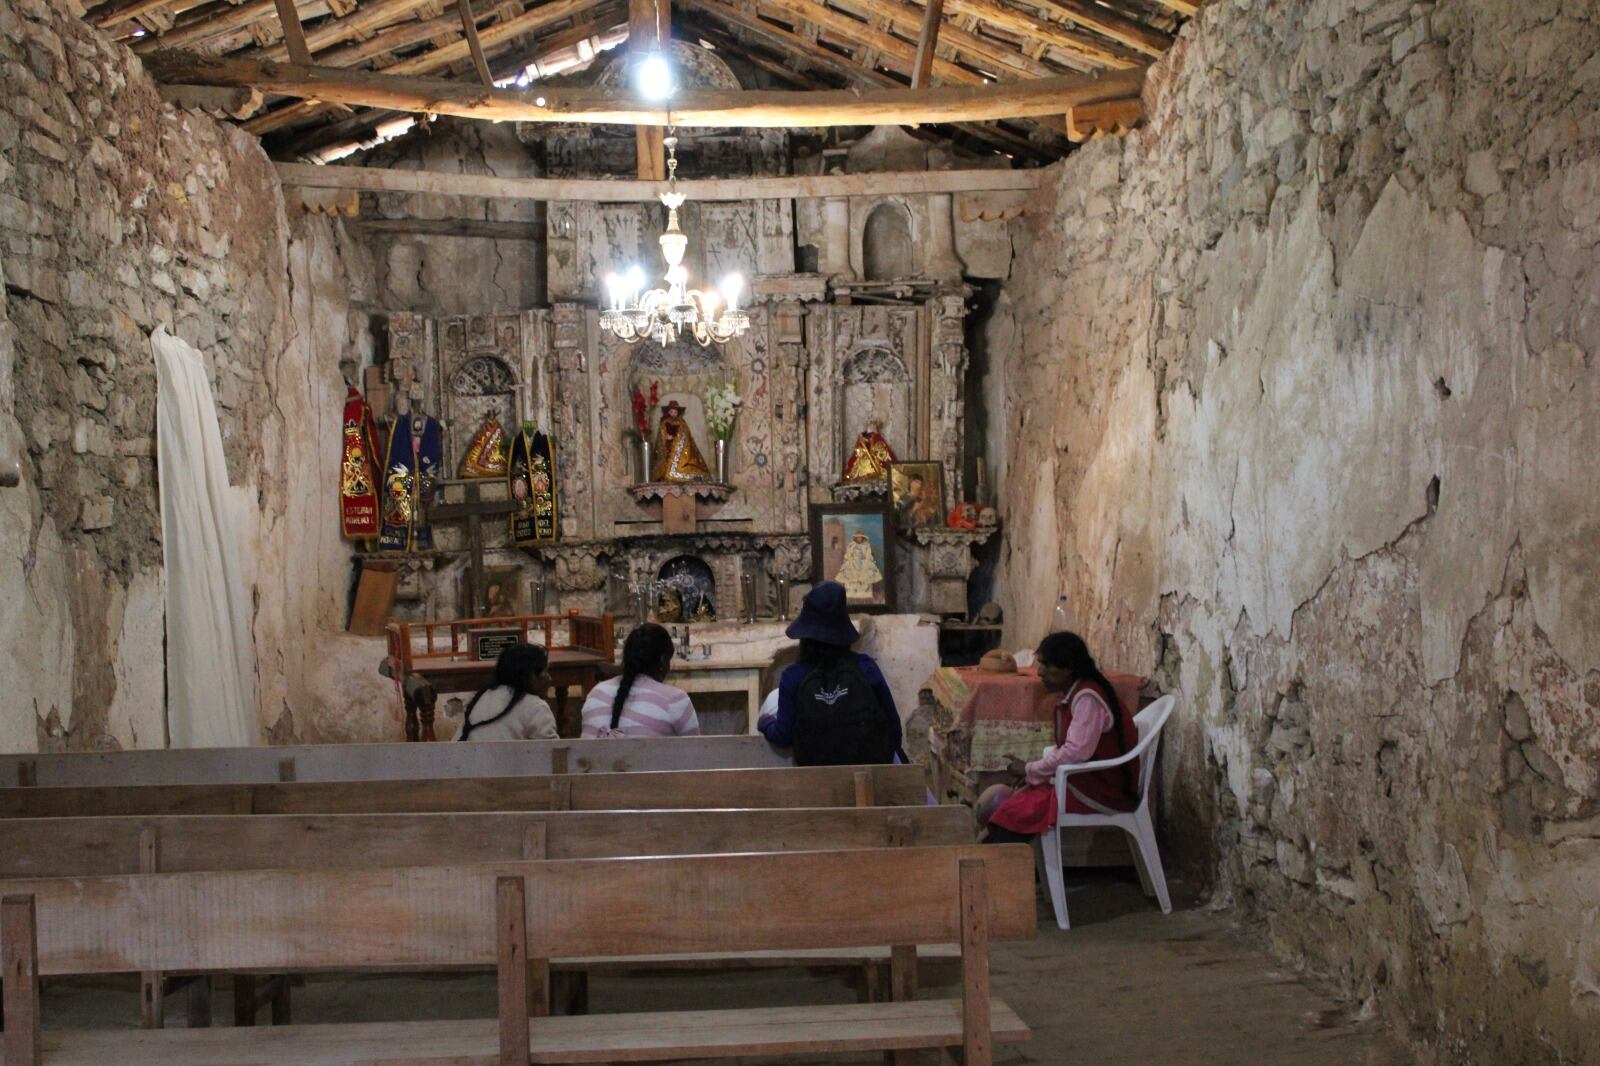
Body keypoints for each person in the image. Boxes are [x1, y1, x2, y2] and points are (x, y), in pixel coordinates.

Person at [977, 631, 1139, 843]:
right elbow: (1071, 748)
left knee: (1018, 811)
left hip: (1102, 790)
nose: (1041, 672)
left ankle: (999, 862)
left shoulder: (1087, 698)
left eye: (1047, 665)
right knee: (1018, 800)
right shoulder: (1077, 692)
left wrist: (1030, 769)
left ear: (1068, 669)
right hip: (1084, 780)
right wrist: (1033, 770)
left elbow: (1075, 753)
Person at [758, 581, 902, 764]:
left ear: (805, 635)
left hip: (817, 783)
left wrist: (765, 723)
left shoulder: (793, 676)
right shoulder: (866, 668)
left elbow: (783, 736)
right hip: (868, 776)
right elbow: (894, 731)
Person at [581, 622, 700, 737]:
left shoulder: (596, 693)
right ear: (663, 660)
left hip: (593, 758)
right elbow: (696, 754)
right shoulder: (675, 700)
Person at [455, 642, 558, 741]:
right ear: (531, 676)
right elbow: (551, 755)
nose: (550, 679)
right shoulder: (536, 708)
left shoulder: (481, 697)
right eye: (546, 671)